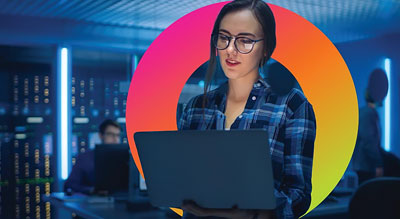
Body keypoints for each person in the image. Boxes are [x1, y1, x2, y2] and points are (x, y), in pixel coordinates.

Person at [178, 0, 316, 218]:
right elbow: (181, 181)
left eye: (245, 41)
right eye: (224, 38)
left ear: (266, 48)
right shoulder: (195, 108)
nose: (230, 50)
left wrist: (253, 211)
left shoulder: (291, 105)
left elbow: (298, 196)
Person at [64, 119, 122, 194]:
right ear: (101, 135)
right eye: (111, 134)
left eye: (118, 135)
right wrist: (90, 190)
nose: (115, 139)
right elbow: (70, 185)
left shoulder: (127, 157)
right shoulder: (85, 158)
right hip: (93, 201)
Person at [351, 90, 384, 185]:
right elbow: (368, 140)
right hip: (366, 165)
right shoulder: (369, 113)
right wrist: (378, 163)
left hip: (361, 164)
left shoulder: (363, 111)